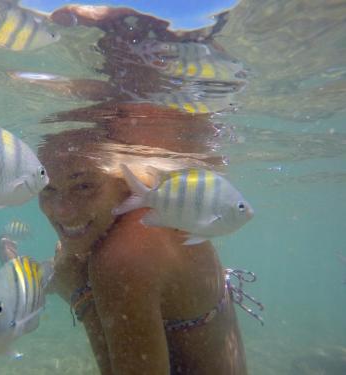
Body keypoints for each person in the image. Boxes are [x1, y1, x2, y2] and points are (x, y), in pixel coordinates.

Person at [35, 4, 251, 374]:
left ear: (122, 178)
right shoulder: (161, 209)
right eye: (47, 188)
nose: (63, 211)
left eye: (84, 185)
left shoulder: (122, 257)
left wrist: (81, 296)